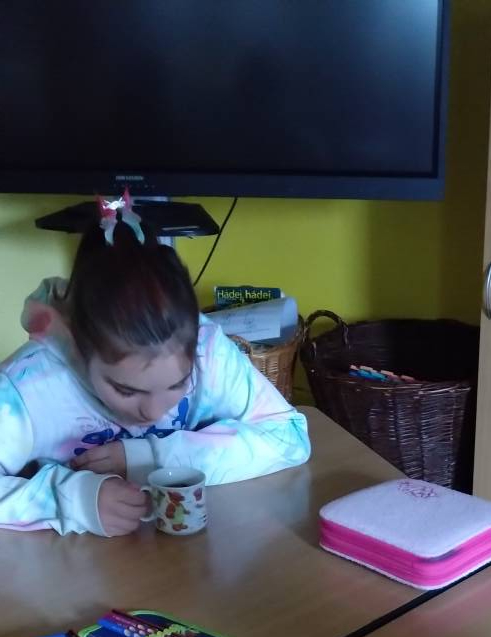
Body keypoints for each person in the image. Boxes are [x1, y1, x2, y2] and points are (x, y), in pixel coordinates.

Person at [0, 192, 309, 537]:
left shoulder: (209, 352)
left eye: (178, 383)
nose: (153, 411)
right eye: (125, 390)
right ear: (81, 346)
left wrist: (148, 457)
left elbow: (289, 436)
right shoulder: (28, 385)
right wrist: (75, 501)